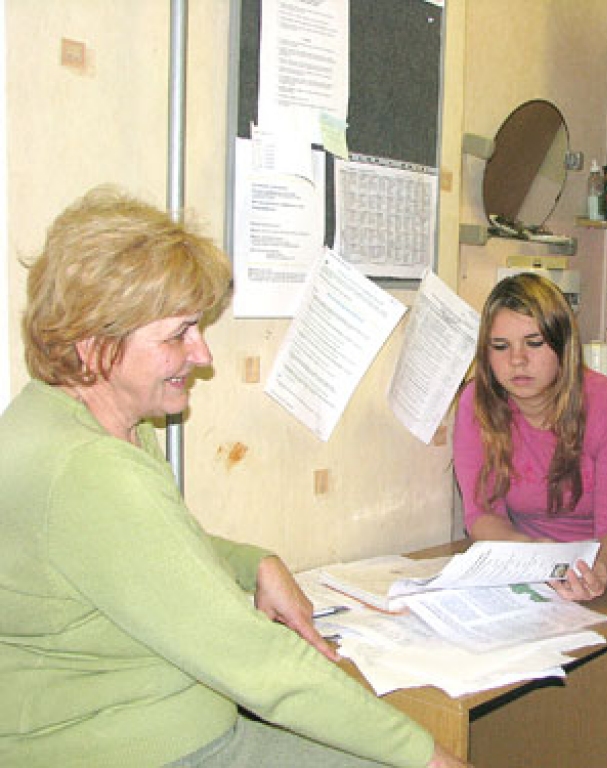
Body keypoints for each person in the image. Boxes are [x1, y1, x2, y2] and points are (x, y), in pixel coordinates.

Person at [0, 187, 470, 768]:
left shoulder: (73, 421)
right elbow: (260, 664)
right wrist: (429, 757)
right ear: (96, 346)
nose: (202, 355)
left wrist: (255, 563)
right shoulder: (90, 472)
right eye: (177, 334)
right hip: (151, 748)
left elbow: (151, 553)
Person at [452, 271, 607, 601]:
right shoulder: (476, 402)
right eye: (500, 346)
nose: (517, 360)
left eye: (534, 343)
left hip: (603, 571)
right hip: (525, 565)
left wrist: (600, 572)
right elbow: (482, 517)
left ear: (563, 345)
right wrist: (534, 554)